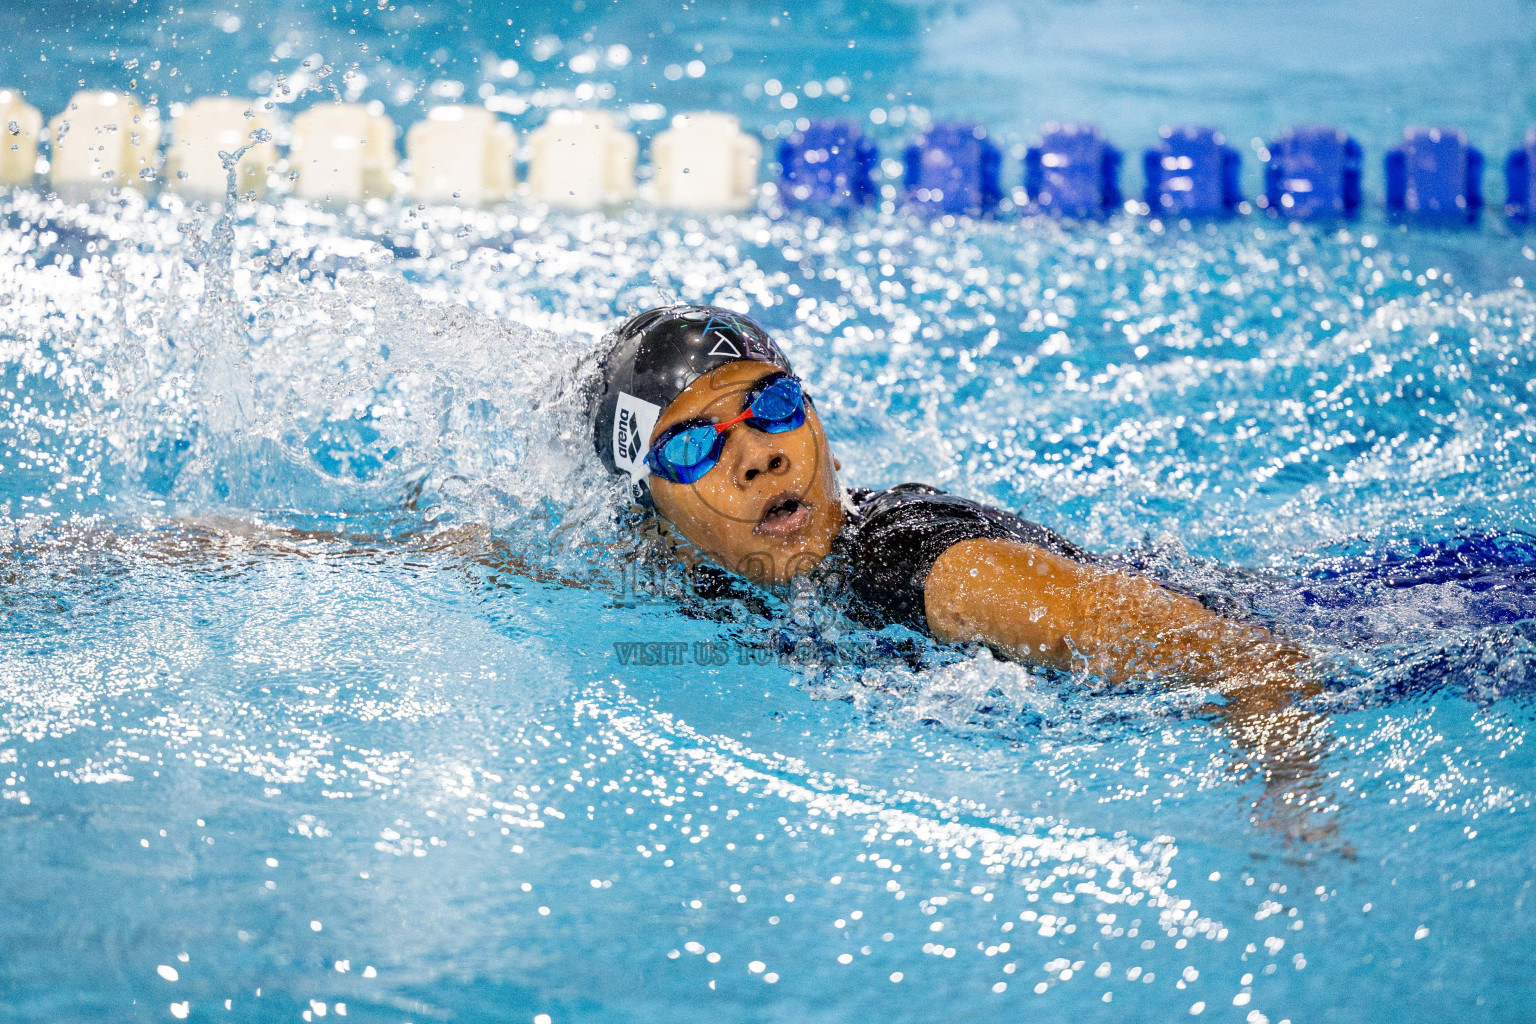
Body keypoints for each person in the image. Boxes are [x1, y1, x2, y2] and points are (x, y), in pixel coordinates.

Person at [589, 303, 1333, 837]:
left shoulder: (922, 563)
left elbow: (1251, 659)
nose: (759, 454)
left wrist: (1289, 801)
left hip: (1370, 629)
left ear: (822, 432)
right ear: (654, 518)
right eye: (692, 446)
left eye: (775, 405)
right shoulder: (689, 571)